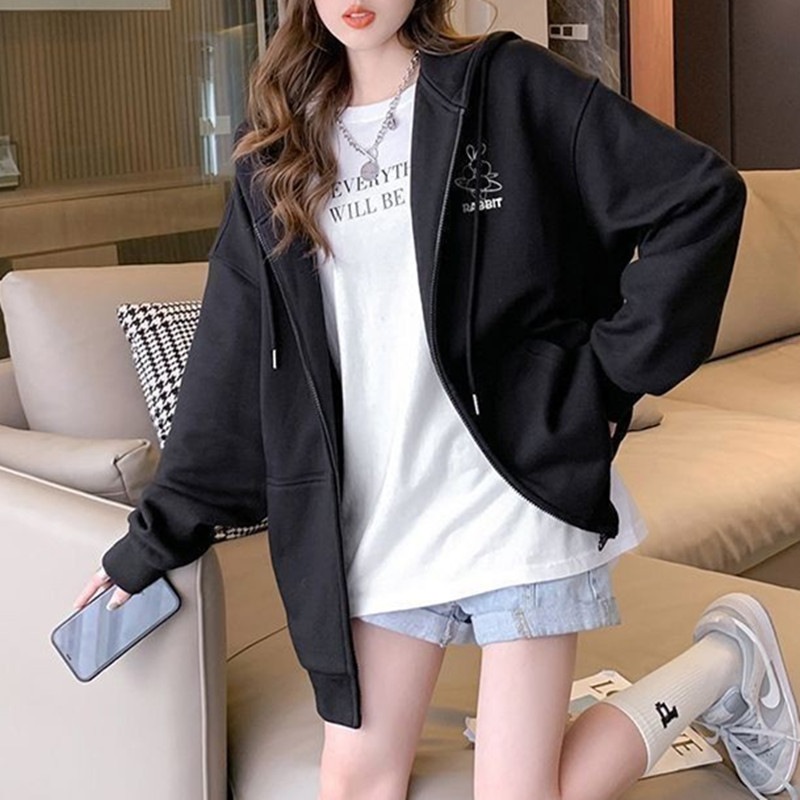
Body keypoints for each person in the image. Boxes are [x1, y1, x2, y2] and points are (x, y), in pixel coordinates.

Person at [73, 1, 799, 798]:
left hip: (516, 493)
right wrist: (151, 544)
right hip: (380, 518)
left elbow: (698, 196)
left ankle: (723, 665)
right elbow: (228, 360)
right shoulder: (278, 151)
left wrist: (600, 380)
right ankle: (724, 667)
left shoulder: (504, 85)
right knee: (355, 783)